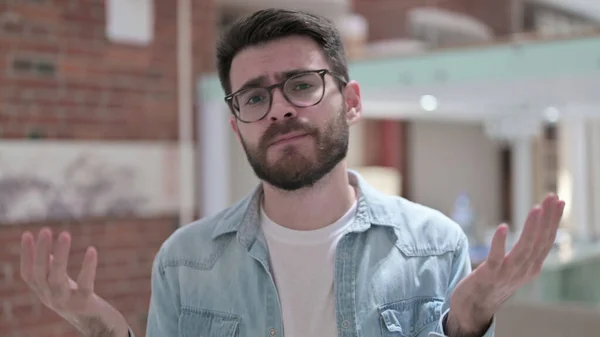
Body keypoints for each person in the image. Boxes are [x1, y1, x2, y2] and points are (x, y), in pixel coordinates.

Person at [20, 8, 565, 337]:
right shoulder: (185, 262)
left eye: (301, 85)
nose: (279, 109)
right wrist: (104, 328)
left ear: (350, 101)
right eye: (254, 96)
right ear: (238, 126)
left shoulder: (433, 246)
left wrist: (465, 325)